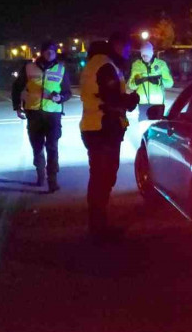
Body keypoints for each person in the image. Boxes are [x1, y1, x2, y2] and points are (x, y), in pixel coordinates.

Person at [80, 33, 139, 240]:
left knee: (102, 177)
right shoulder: (105, 65)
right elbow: (111, 96)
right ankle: (98, 229)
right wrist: (131, 100)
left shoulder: (99, 63)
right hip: (102, 128)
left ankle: (99, 225)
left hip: (99, 127)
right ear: (117, 45)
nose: (128, 52)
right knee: (102, 177)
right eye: (126, 48)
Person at [12, 41, 72, 192]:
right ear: (41, 52)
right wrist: (17, 107)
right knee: (37, 146)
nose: (49, 53)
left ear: (55, 52)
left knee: (52, 146)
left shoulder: (61, 69)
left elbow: (67, 92)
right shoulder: (29, 67)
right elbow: (17, 87)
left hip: (53, 114)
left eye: (52, 51)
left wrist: (60, 98)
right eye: (47, 51)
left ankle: (52, 179)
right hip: (34, 113)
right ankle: (40, 173)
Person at [128, 41, 174, 121]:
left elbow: (170, 83)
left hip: (157, 104)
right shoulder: (136, 65)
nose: (145, 57)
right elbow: (131, 85)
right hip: (142, 104)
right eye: (143, 55)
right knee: (143, 129)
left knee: (155, 128)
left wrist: (159, 81)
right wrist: (137, 81)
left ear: (151, 53)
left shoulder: (161, 64)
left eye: (147, 55)